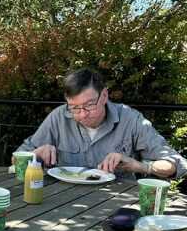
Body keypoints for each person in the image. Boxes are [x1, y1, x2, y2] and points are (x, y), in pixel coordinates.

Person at [15, 68, 187, 179]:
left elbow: (178, 164)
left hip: (114, 204)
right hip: (62, 201)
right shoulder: (58, 117)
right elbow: (16, 159)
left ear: (104, 96)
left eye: (89, 105)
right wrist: (35, 154)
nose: (82, 114)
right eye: (74, 107)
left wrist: (141, 166)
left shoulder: (131, 119)